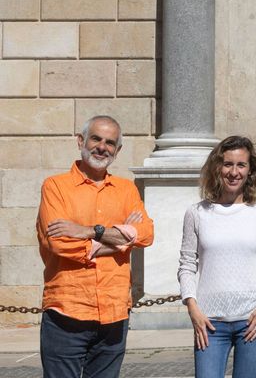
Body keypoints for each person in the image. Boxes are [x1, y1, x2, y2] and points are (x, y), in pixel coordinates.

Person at [36, 115, 155, 378]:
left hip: (114, 313)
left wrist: (91, 231)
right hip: (67, 310)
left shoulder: (126, 190)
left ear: (118, 150)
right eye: (96, 138)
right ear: (81, 140)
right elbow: (60, 244)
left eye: (110, 142)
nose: (102, 147)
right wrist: (123, 242)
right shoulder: (55, 187)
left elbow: (146, 234)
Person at [178, 136, 256, 378]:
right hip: (209, 324)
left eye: (241, 165)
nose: (234, 172)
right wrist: (193, 308)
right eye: (227, 164)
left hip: (252, 321)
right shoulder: (197, 212)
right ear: (217, 167)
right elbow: (187, 266)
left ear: (250, 170)